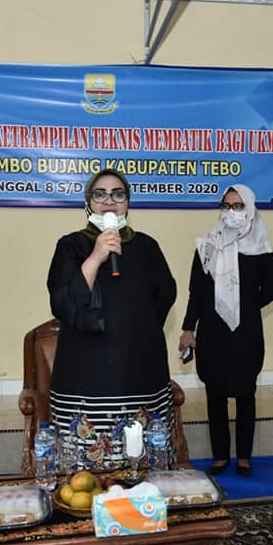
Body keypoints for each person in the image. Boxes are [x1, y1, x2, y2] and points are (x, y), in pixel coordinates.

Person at [47, 169, 177, 469]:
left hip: (140, 370)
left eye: (118, 194)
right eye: (100, 194)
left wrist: (135, 328)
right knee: (83, 478)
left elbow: (165, 297)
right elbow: (62, 302)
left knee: (144, 471)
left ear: (127, 203)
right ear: (88, 203)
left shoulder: (147, 246)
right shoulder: (71, 246)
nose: (109, 201)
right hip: (86, 372)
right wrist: (96, 256)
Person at [179, 185, 273, 477]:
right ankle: (221, 456)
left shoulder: (261, 248)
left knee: (246, 393)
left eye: (238, 206)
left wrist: (241, 306)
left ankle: (244, 456)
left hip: (246, 332)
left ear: (250, 208)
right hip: (212, 332)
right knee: (215, 394)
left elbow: (271, 290)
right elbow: (196, 292)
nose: (231, 212)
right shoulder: (207, 246)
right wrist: (188, 328)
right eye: (226, 206)